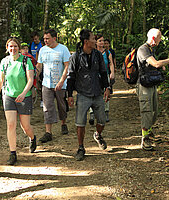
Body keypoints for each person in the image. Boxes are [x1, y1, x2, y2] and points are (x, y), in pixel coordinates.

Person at [67, 29, 112, 161]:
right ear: (86, 41)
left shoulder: (98, 55)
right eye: (93, 38)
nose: (95, 40)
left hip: (97, 92)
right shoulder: (76, 56)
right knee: (80, 123)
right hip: (83, 94)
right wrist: (70, 95)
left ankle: (98, 134)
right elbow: (71, 76)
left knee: (102, 120)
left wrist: (107, 88)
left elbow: (104, 73)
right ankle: (81, 147)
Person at [136, 28, 169, 150]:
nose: (160, 40)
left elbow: (153, 65)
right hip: (144, 86)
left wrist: (160, 67)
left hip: (152, 84)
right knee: (146, 112)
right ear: (153, 39)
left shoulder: (151, 49)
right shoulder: (143, 49)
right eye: (159, 38)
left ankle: (149, 133)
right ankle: (145, 140)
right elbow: (155, 63)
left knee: (154, 111)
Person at [0, 38, 37, 165]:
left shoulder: (26, 61)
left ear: (19, 48)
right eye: (10, 47)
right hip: (9, 96)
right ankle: (13, 153)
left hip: (24, 96)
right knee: (10, 124)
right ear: (7, 48)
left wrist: (23, 93)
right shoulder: (4, 62)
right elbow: (1, 80)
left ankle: (32, 138)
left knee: (25, 126)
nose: (13, 49)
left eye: (15, 46)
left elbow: (30, 79)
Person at [36, 29, 71, 143]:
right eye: (44, 39)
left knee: (61, 105)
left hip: (60, 83)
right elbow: (39, 65)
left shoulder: (63, 49)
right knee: (47, 107)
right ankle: (48, 132)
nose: (45, 41)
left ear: (54, 38)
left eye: (47, 38)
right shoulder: (42, 50)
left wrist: (61, 81)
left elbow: (67, 66)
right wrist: (34, 74)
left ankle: (63, 123)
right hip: (46, 83)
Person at [89, 34, 115, 125]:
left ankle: (106, 112)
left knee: (106, 93)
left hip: (105, 75)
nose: (102, 42)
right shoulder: (92, 52)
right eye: (100, 41)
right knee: (92, 94)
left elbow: (111, 63)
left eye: (103, 41)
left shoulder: (107, 53)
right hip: (94, 77)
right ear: (95, 42)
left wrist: (112, 73)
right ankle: (92, 113)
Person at [29, 31, 44, 107]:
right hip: (33, 65)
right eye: (33, 39)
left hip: (42, 65)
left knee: (42, 82)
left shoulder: (42, 45)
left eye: (36, 39)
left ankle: (42, 99)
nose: (35, 40)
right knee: (33, 82)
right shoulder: (31, 45)